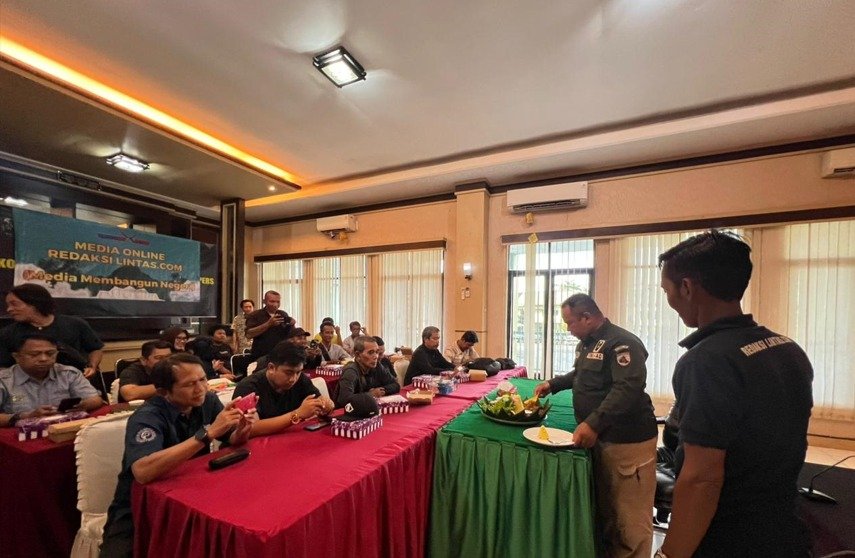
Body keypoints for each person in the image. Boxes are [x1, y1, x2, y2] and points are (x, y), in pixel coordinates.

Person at [655, 231, 813, 558]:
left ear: (686, 287)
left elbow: (702, 478)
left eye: (667, 291)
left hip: (730, 537)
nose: (669, 301)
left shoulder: (706, 361)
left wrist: (669, 554)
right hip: (784, 528)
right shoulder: (787, 348)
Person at [534, 294, 657, 558]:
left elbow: (627, 388)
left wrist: (593, 423)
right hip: (602, 439)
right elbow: (581, 375)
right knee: (609, 513)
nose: (567, 328)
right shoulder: (587, 343)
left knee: (630, 521)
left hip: (626, 442)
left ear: (587, 318)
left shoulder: (622, 343)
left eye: (570, 322)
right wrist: (553, 384)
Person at [100, 353, 254, 557]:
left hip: (193, 491)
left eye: (203, 379)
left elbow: (231, 439)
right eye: (190, 384)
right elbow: (143, 472)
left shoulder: (207, 400)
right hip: (142, 503)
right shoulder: (147, 416)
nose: (201, 388)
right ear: (163, 391)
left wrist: (242, 429)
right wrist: (208, 434)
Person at [0, 284, 104, 379]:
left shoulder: (75, 324)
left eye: (14, 304)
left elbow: (95, 348)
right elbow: (4, 367)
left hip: (75, 382)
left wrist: (92, 367)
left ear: (34, 303)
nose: (9, 309)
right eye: (8, 305)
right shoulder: (8, 333)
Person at [0, 334, 104, 426]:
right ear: (16, 357)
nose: (44, 359)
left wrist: (82, 405)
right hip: (21, 434)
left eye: (50, 353)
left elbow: (95, 400)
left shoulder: (68, 374)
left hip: (62, 428)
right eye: (34, 355)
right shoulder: (4, 380)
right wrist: (26, 416)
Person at [232, 341, 333, 435]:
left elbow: (319, 402)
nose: (293, 379)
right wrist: (297, 414)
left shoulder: (301, 379)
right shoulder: (248, 386)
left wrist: (325, 406)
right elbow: (250, 428)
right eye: (288, 372)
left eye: (298, 372)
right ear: (271, 368)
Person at [334, 336, 400, 407]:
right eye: (370, 352)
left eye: (377, 352)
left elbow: (395, 385)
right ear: (357, 355)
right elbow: (344, 399)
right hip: (347, 411)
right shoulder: (350, 371)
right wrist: (370, 395)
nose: (376, 356)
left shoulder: (377, 365)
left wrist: (380, 391)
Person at [245, 291, 296, 360]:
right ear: (264, 301)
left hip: (281, 354)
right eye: (272, 301)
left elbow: (290, 334)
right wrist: (268, 324)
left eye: (278, 302)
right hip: (261, 355)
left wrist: (292, 324)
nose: (275, 304)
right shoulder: (255, 315)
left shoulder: (283, 314)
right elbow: (248, 334)